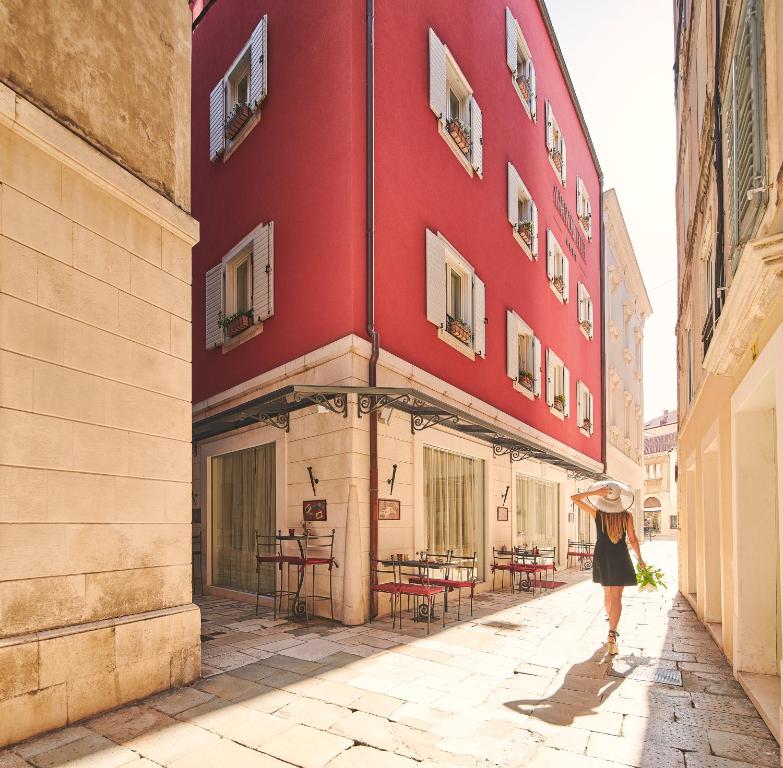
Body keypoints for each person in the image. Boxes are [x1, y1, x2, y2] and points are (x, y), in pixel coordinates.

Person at [571, 483, 645, 655]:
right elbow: (633, 539)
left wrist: (595, 492)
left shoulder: (597, 513)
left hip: (602, 555)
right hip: (620, 556)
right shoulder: (626, 515)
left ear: (604, 498)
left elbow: (574, 498)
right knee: (617, 596)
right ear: (619, 498)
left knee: (607, 593)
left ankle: (611, 622)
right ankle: (612, 635)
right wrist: (641, 559)